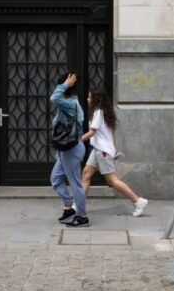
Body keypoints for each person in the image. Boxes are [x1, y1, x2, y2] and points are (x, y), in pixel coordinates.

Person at [81, 89, 148, 217]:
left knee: (112, 180)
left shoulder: (98, 113)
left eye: (89, 97)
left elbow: (92, 132)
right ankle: (79, 204)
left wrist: (78, 140)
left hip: (102, 151)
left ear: (95, 99)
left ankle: (138, 201)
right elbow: (110, 133)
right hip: (98, 149)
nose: (87, 99)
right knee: (85, 175)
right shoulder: (103, 113)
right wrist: (114, 148)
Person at [50, 72, 89, 227]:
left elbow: (54, 98)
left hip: (71, 149)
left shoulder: (69, 104)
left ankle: (82, 216)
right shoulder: (69, 102)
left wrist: (65, 84)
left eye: (59, 86)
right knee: (55, 179)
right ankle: (69, 207)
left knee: (75, 184)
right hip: (65, 149)